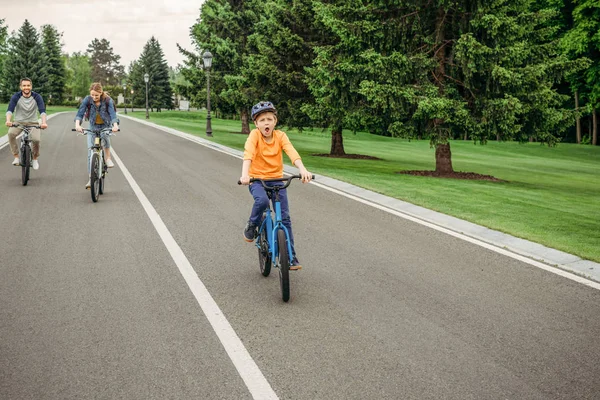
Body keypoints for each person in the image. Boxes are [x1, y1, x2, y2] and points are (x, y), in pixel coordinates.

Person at [239, 101, 312, 270]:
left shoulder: (281, 136)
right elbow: (248, 154)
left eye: (269, 119)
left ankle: (291, 257)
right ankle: (252, 224)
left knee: (284, 218)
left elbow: (292, 152)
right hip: (257, 180)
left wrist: (303, 170)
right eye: (262, 120)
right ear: (256, 124)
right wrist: (245, 175)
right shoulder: (254, 136)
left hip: (277, 180)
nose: (266, 123)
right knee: (262, 202)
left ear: (275, 121)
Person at [74, 82, 119, 189]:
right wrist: (77, 125)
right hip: (92, 126)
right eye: (92, 95)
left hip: (105, 125)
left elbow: (112, 114)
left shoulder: (107, 100)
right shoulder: (87, 99)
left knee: (106, 138)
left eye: (96, 95)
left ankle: (108, 158)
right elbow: (80, 112)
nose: (94, 97)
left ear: (101, 92)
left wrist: (115, 125)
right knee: (91, 151)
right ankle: (91, 178)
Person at [5, 78, 48, 169]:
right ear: (21, 87)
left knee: (36, 140)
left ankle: (35, 159)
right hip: (19, 122)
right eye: (24, 86)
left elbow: (42, 111)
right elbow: (10, 110)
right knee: (11, 133)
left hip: (33, 122)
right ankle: (16, 157)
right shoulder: (16, 96)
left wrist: (44, 122)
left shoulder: (37, 96)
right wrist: (8, 121)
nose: (26, 87)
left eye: (28, 85)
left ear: (31, 86)